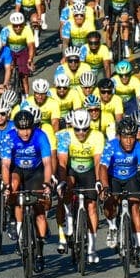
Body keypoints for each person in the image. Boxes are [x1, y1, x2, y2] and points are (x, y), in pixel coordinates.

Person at [2, 109, 53, 273]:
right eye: (21, 129)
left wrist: (46, 184)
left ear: (33, 127)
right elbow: (5, 165)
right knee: (14, 187)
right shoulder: (9, 137)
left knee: (39, 210)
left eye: (28, 128)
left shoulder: (40, 136)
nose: (25, 133)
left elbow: (47, 163)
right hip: (18, 170)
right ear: (16, 128)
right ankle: (14, 221)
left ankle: (39, 252)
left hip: (36, 171)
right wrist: (6, 186)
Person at [99, 117, 140, 264]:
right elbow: (102, 167)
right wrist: (105, 186)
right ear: (119, 136)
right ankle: (112, 227)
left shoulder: (139, 148)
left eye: (132, 137)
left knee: (135, 207)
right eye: (125, 137)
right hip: (113, 178)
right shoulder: (111, 146)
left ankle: (139, 244)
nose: (129, 141)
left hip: (131, 178)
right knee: (110, 202)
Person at [56, 108, 104, 264]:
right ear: (72, 127)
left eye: (85, 129)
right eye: (77, 129)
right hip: (72, 170)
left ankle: (92, 246)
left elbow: (98, 161)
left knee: (91, 207)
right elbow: (62, 161)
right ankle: (69, 218)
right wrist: (62, 181)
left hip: (89, 171)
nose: (81, 133)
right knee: (67, 189)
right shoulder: (65, 135)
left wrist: (98, 180)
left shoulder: (97, 136)